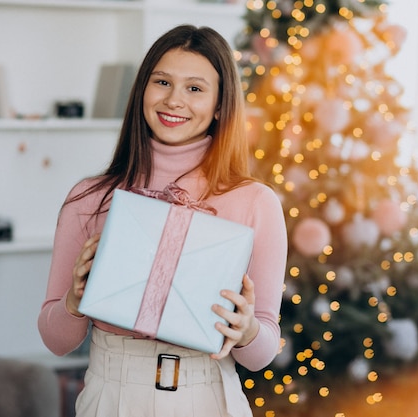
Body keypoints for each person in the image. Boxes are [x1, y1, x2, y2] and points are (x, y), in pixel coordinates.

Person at [38, 24, 288, 417]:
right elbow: (55, 340)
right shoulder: (89, 199)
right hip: (110, 395)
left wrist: (248, 332)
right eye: (162, 82)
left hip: (208, 397)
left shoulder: (256, 202)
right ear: (142, 90)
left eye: (195, 88)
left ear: (221, 104)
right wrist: (74, 300)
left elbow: (261, 355)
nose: (174, 100)